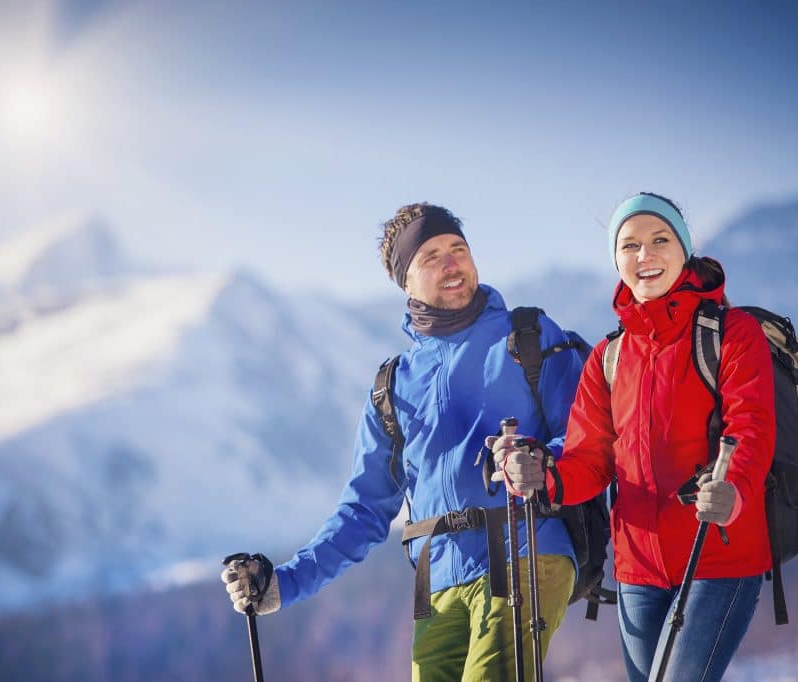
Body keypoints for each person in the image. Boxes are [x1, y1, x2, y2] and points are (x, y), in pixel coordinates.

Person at [222, 202, 584, 681]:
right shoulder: (393, 387)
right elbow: (363, 511)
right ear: (405, 283)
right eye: (432, 256)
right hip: (438, 584)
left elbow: (585, 434)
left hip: (528, 549)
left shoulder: (529, 337)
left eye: (458, 249)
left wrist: (542, 461)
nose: (452, 263)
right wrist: (283, 585)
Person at [494, 192, 775, 681]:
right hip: (637, 569)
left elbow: (750, 428)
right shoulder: (609, 355)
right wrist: (542, 474)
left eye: (659, 240)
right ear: (616, 260)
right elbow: (590, 460)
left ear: (683, 249)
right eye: (630, 246)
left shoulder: (732, 333)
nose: (645, 256)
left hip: (718, 554)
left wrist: (734, 490)